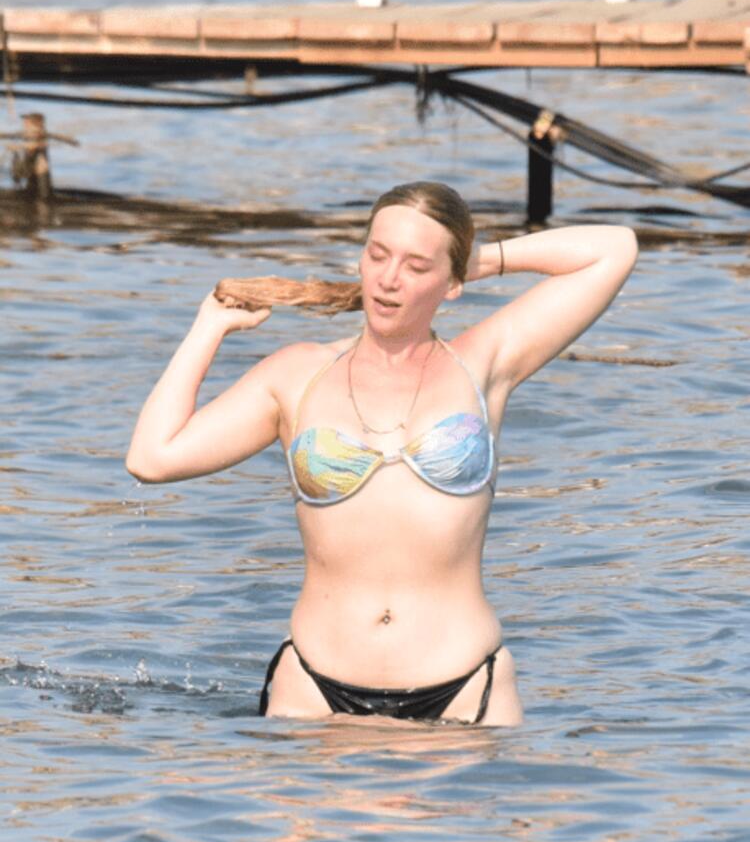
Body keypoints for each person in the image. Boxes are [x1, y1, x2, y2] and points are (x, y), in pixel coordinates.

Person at [126, 182, 638, 726]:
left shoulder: (483, 363)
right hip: (313, 689)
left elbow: (615, 249)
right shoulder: (297, 375)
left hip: (467, 688)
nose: (389, 279)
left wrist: (477, 260)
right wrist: (208, 327)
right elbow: (153, 457)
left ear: (452, 282)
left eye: (416, 266)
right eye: (377, 255)